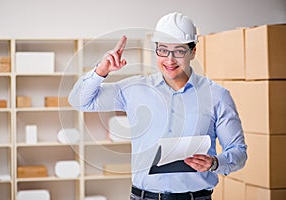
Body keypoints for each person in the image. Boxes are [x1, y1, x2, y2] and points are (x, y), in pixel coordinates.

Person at [68, 12, 247, 200]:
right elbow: (79, 100)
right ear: (156, 50)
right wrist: (100, 71)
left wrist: (215, 163)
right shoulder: (135, 89)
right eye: (163, 50)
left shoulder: (217, 96)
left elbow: (239, 152)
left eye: (179, 51)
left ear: (193, 52)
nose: (169, 60)